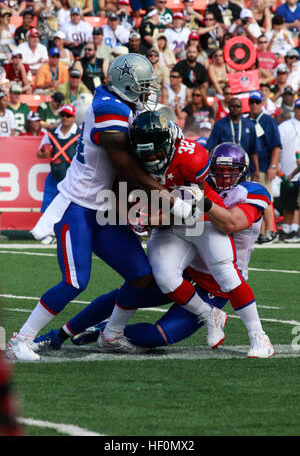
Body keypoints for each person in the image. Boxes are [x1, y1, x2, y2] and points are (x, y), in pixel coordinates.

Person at [5, 53, 189, 362]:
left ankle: (112, 334)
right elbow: (126, 168)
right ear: (127, 85)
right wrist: (170, 200)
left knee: (141, 275)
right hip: (76, 205)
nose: (147, 92)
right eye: (142, 86)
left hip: (102, 209)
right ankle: (20, 339)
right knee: (75, 280)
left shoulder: (119, 103)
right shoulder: (108, 109)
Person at [37, 144, 274, 360]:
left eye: (230, 171)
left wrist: (199, 204)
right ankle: (61, 333)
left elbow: (232, 222)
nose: (223, 177)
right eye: (219, 171)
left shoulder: (250, 192)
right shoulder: (200, 186)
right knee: (134, 286)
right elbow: (181, 216)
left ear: (243, 171)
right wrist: (149, 218)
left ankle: (103, 330)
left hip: (215, 286)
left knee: (156, 337)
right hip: (188, 271)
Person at [93, 115, 274, 358]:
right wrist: (140, 215)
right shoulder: (132, 158)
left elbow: (195, 209)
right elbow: (126, 193)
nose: (152, 159)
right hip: (177, 227)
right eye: (145, 154)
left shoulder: (194, 158)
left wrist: (152, 216)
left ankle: (259, 337)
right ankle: (209, 315)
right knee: (165, 277)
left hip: (201, 219)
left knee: (227, 272)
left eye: (157, 152)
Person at [247, 90, 282, 243]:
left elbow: (276, 146)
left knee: (266, 200)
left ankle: (271, 231)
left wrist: (273, 166)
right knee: (251, 201)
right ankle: (259, 233)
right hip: (248, 168)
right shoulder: (245, 120)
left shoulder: (268, 121)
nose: (254, 105)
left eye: (257, 102)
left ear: (262, 103)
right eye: (251, 102)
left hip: (264, 165)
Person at [37, 104, 81, 219]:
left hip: (73, 178)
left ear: (74, 117)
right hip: (55, 176)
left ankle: (68, 232)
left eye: (68, 115)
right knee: (48, 204)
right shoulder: (51, 134)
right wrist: (42, 154)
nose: (65, 118)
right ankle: (47, 234)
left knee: (72, 207)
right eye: (63, 115)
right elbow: (39, 153)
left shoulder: (80, 135)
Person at [206, 97, 259, 173]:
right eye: (233, 106)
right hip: (225, 168)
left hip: (244, 167)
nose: (235, 108)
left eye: (238, 106)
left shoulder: (250, 125)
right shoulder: (219, 125)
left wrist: (257, 170)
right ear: (228, 107)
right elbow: (210, 147)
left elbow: (254, 150)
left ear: (241, 108)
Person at [277, 98, 300, 242]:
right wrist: (277, 166)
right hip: (288, 171)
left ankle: (294, 230)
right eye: (298, 108)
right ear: (295, 109)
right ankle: (287, 229)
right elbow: (277, 148)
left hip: (295, 172)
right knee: (289, 204)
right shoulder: (285, 126)